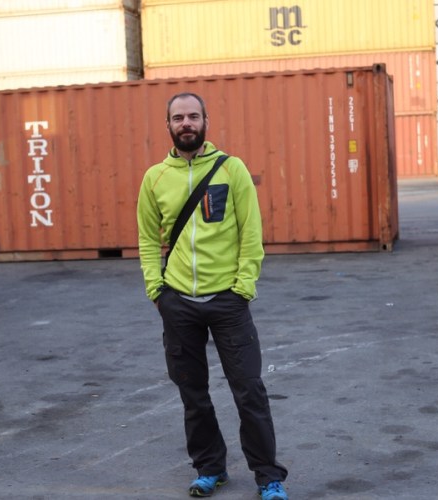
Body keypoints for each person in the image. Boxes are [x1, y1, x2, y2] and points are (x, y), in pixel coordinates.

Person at [136, 92, 289, 500]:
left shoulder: (231, 169)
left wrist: (243, 287)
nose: (186, 123)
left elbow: (251, 234)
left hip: (228, 302)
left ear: (205, 121)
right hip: (178, 303)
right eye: (178, 118)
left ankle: (268, 477)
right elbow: (148, 240)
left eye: (193, 116)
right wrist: (157, 290)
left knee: (249, 391)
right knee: (193, 394)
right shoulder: (155, 178)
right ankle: (210, 468)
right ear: (168, 125)